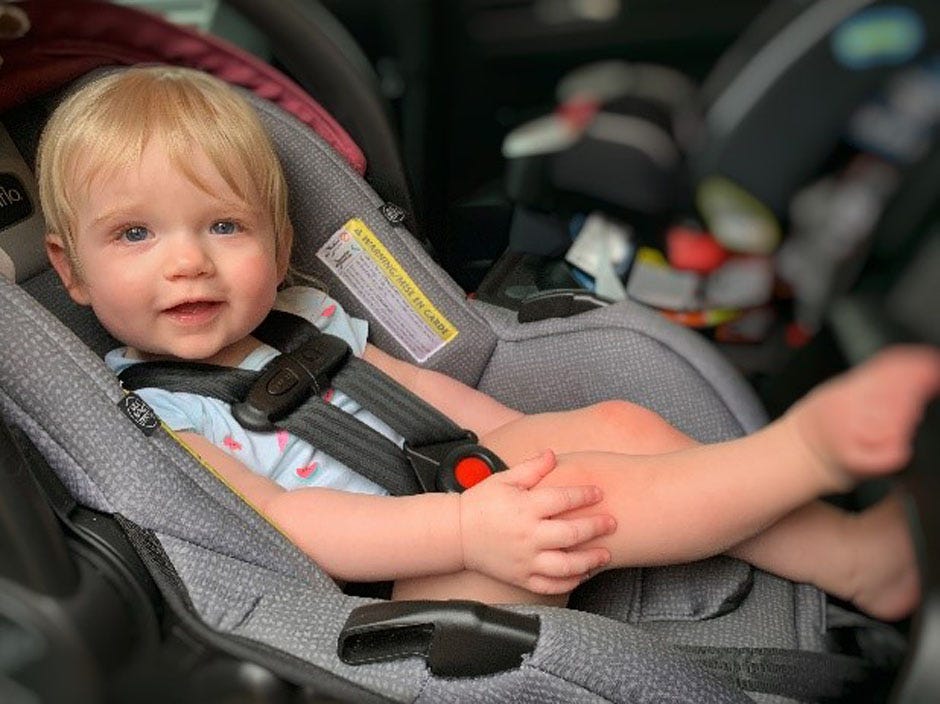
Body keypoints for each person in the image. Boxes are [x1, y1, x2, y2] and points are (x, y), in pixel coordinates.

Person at [37, 65, 940, 620]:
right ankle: (809, 453)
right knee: (592, 491)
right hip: (399, 597)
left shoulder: (300, 315)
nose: (188, 265)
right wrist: (470, 528)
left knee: (616, 426)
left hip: (456, 496)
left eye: (224, 227)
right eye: (135, 236)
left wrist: (529, 441)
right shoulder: (158, 412)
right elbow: (289, 524)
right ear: (69, 272)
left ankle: (848, 557)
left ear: (278, 247)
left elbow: (421, 399)